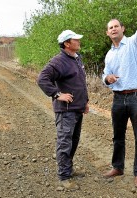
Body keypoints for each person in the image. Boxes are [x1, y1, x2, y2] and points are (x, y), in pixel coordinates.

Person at [102, 18, 137, 188]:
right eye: (111, 27)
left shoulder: (133, 43)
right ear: (107, 33)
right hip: (118, 98)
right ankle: (118, 167)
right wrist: (107, 79)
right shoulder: (109, 54)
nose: (114, 29)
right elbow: (105, 75)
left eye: (117, 26)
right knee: (118, 136)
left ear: (123, 29)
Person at [37, 30, 89, 190]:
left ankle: (69, 168)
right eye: (76, 39)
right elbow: (42, 79)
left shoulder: (75, 58)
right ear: (67, 43)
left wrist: (84, 102)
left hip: (77, 108)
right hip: (65, 111)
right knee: (64, 142)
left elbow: (79, 83)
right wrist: (57, 94)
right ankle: (64, 176)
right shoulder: (59, 61)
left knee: (73, 141)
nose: (79, 41)